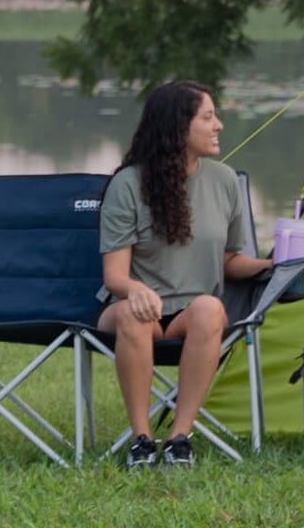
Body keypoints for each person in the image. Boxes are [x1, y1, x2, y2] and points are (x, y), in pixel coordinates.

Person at [98, 81, 272, 468]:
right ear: (179, 128)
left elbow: (230, 261)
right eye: (208, 117)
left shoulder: (225, 181)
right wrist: (135, 290)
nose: (219, 125)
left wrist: (272, 264)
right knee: (133, 314)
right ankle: (141, 441)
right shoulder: (127, 185)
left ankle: (180, 438)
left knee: (210, 308)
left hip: (191, 315)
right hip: (134, 309)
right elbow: (115, 276)